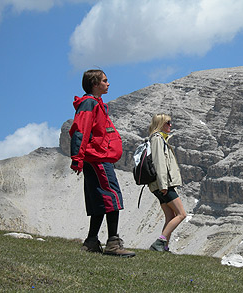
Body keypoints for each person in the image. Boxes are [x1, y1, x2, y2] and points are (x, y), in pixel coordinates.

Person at [69, 69, 135, 257]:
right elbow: (80, 130)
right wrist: (77, 158)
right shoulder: (89, 103)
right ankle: (113, 243)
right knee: (112, 196)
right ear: (95, 84)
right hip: (98, 158)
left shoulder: (96, 104)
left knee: (100, 199)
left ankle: (91, 242)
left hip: (96, 157)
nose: (108, 84)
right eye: (105, 81)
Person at [147, 114, 187, 252]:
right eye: (168, 123)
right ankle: (160, 242)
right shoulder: (157, 139)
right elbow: (159, 163)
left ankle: (164, 247)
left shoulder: (158, 139)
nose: (170, 125)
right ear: (160, 123)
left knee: (170, 216)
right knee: (182, 214)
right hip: (163, 185)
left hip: (158, 185)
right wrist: (163, 185)